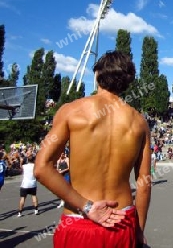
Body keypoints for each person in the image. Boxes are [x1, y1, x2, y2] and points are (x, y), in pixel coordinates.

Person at [35, 51, 152, 248]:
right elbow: (145, 182)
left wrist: (87, 206)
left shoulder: (71, 111)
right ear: (127, 82)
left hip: (80, 220)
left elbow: (41, 168)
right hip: (122, 221)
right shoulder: (139, 122)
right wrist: (138, 230)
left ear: (97, 74)